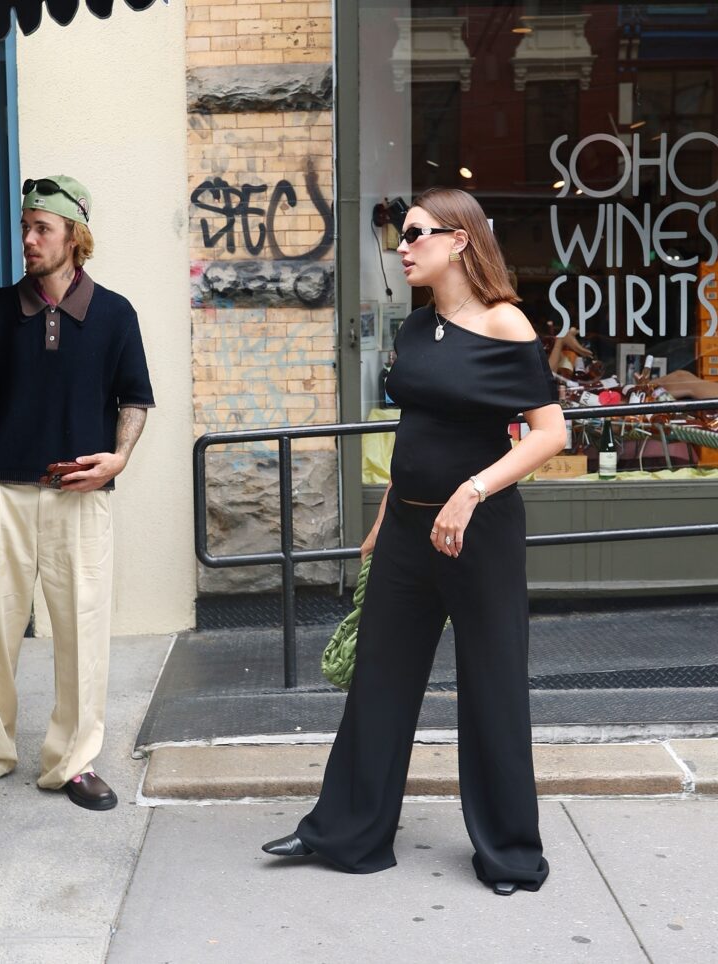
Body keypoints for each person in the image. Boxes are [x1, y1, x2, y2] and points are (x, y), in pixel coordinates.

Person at [262, 188, 566, 893]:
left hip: (478, 531)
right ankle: (346, 833)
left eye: (417, 234)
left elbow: (551, 433)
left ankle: (510, 854)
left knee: (492, 687)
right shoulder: (417, 327)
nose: (403, 247)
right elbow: (419, 429)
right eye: (402, 236)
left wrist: (471, 490)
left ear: (460, 240)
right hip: (406, 530)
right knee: (379, 682)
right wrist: (385, 514)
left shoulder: (505, 324)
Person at [0, 175, 154, 808]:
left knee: (83, 634)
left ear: (75, 236)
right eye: (25, 227)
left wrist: (116, 462)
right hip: (1, 497)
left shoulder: (115, 313)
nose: (29, 239)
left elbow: (136, 399)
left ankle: (74, 763)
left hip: (80, 497)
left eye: (42, 228)